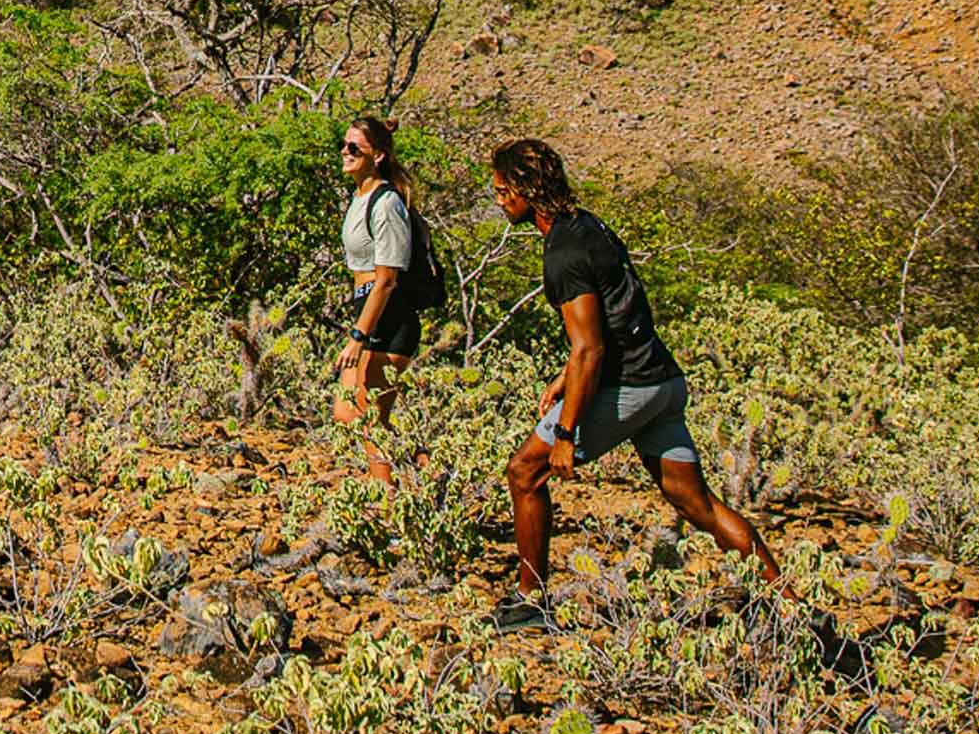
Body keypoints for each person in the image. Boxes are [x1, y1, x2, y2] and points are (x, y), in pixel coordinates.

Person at [490, 136, 777, 629]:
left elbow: (590, 348)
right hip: (664, 382)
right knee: (697, 503)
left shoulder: (561, 250)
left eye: (501, 191)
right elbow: (618, 313)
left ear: (524, 189)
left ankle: (529, 599)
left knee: (524, 473)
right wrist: (565, 377)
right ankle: (789, 602)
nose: (498, 201)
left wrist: (565, 434)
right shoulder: (590, 225)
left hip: (629, 388)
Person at [333, 114, 419, 481]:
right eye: (345, 144)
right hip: (368, 310)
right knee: (347, 413)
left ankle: (389, 507)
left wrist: (358, 337)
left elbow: (386, 281)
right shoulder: (360, 197)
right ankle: (427, 467)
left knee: (368, 418)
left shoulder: (386, 203)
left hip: (389, 317)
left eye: (355, 148)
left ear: (378, 155)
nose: (345, 152)